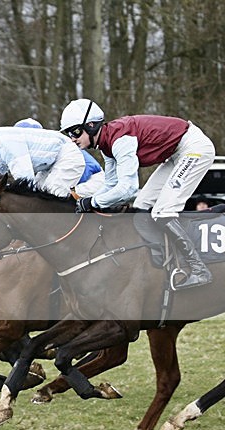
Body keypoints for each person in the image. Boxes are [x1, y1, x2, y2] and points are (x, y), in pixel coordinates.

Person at [60, 98, 215, 289]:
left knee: (163, 211)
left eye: (74, 131)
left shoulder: (120, 140)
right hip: (176, 153)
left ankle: (199, 269)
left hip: (194, 148)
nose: (72, 138)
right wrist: (85, 201)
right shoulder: (107, 146)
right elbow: (111, 186)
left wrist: (92, 202)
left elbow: (128, 189)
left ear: (91, 126)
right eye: (68, 133)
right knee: (142, 204)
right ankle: (158, 262)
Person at [0, 112, 85, 197]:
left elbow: (26, 182)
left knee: (50, 196)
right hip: (48, 165)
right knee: (41, 197)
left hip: (66, 155)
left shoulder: (4, 143)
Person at [14, 117, 104, 197]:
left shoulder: (67, 150)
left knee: (54, 197)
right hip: (85, 180)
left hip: (94, 182)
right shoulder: (46, 156)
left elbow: (89, 168)